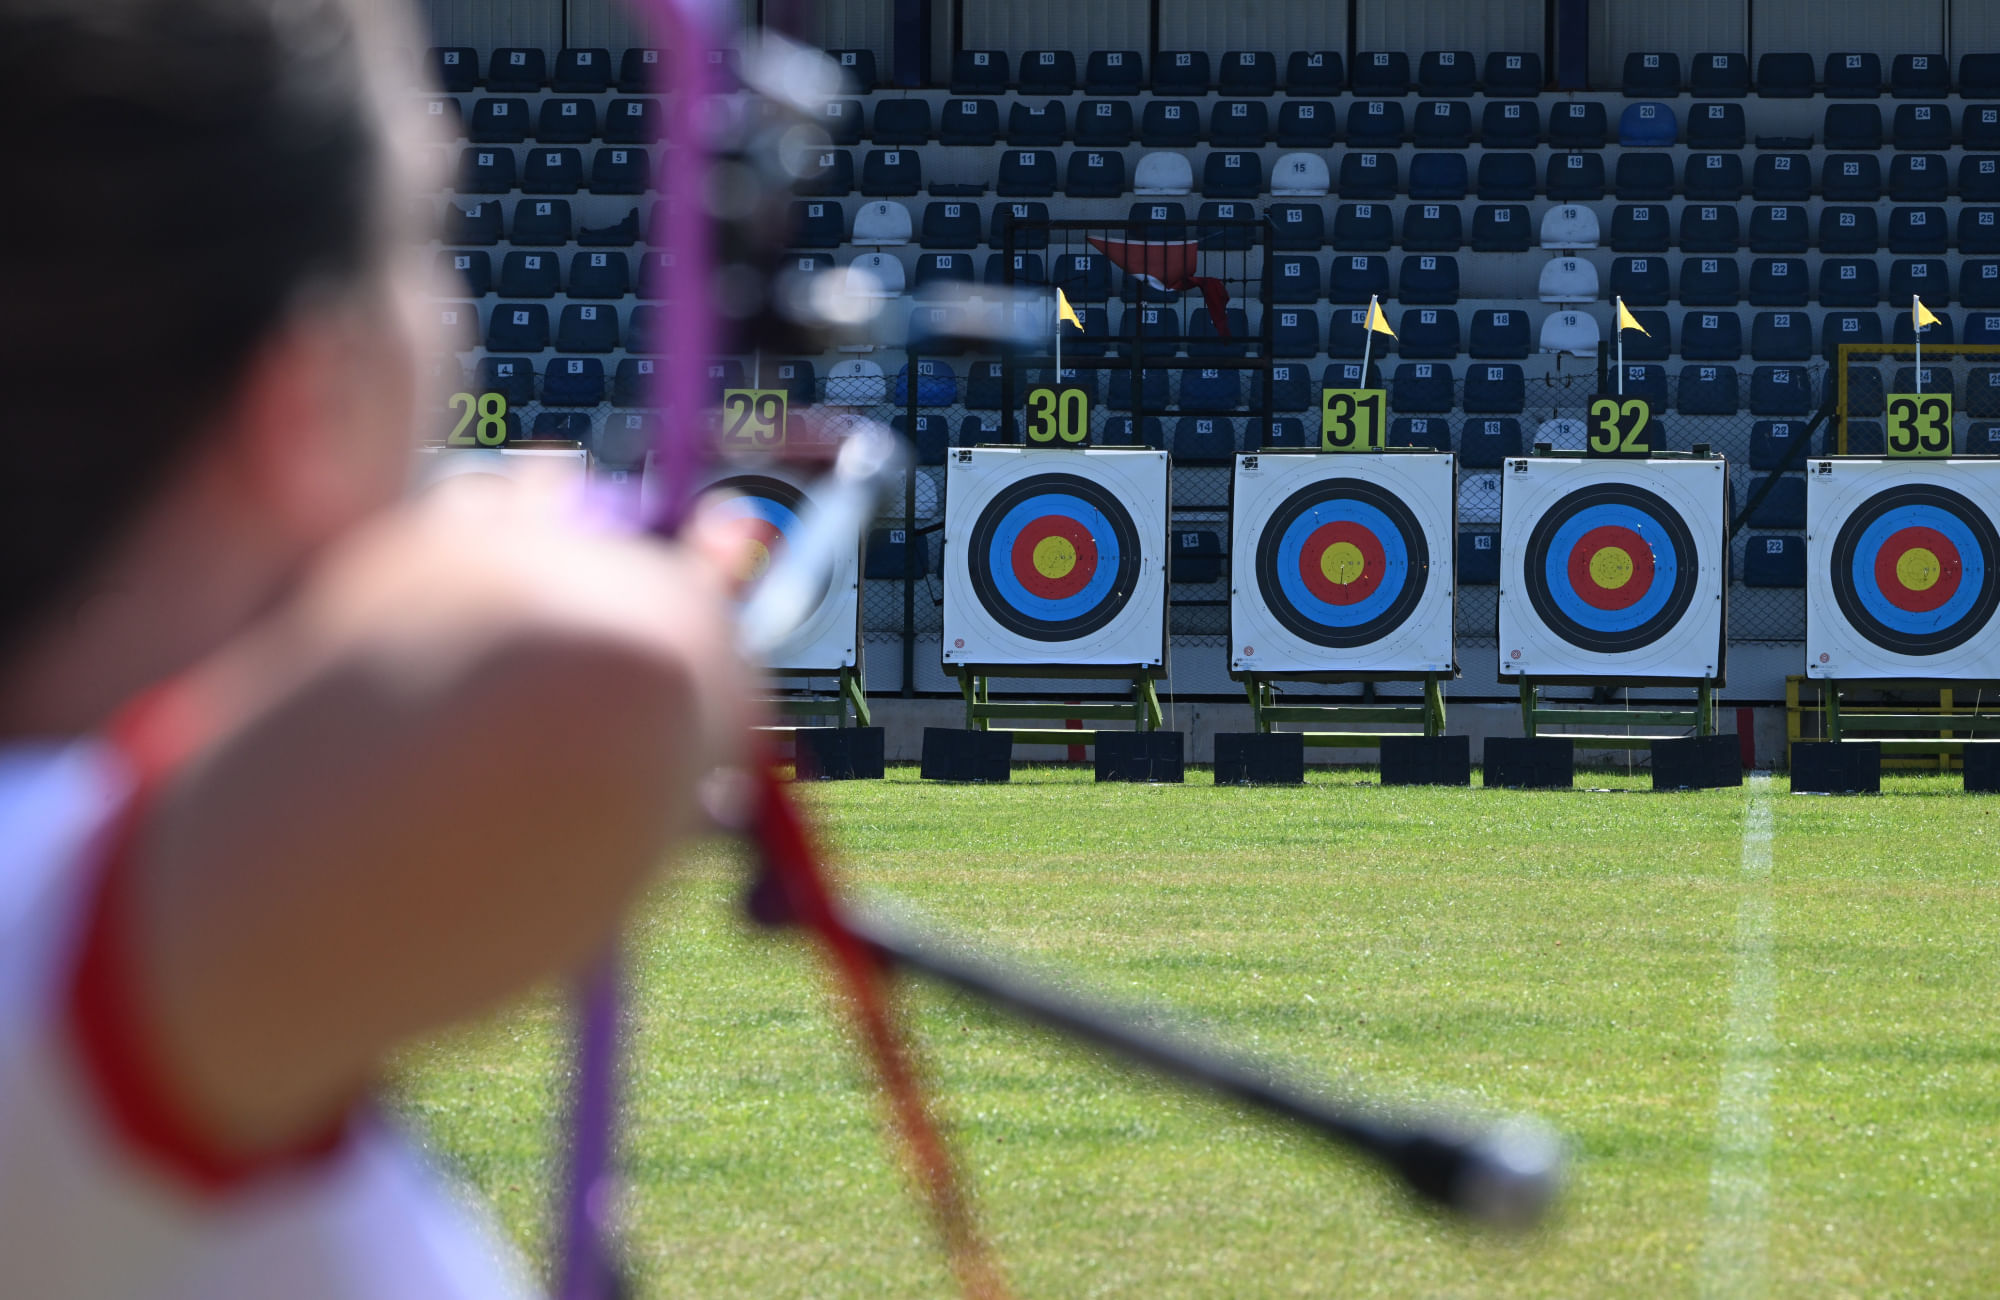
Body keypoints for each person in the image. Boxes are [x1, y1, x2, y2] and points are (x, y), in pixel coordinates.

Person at [0, 0, 748, 1294]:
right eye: (417, 240)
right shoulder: (40, 923)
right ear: (315, 391)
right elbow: (596, 670)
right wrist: (585, 554)